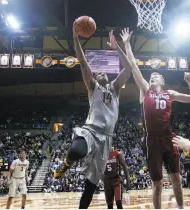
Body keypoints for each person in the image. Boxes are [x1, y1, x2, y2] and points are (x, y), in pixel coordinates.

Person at [53, 23, 133, 209]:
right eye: (98, 72)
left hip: (107, 140)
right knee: (76, 151)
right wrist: (75, 39)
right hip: (90, 131)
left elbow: (128, 69)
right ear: (95, 78)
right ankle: (66, 164)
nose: (102, 72)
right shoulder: (92, 87)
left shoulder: (115, 89)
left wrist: (117, 48)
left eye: (105, 71)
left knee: (90, 186)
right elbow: (82, 61)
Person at [121, 27, 190, 209]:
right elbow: (132, 64)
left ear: (162, 81)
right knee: (157, 184)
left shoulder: (169, 93)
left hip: (169, 139)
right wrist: (126, 44)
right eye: (151, 76)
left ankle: (180, 208)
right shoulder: (145, 90)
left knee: (176, 179)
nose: (153, 76)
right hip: (152, 141)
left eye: (156, 75)